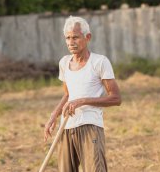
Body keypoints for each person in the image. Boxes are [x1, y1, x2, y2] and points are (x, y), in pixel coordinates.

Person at [43, 16, 121, 172]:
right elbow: (67, 95)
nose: (71, 42)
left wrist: (82, 101)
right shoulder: (64, 63)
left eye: (75, 37)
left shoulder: (99, 62)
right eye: (68, 38)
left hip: (90, 126)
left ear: (87, 37)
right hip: (66, 127)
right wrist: (54, 116)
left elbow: (116, 98)